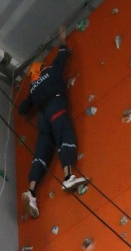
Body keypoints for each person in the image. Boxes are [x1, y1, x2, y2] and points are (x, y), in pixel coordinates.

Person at [18, 25, 88, 219]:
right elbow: (62, 55)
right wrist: (63, 40)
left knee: (41, 154)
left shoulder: (32, 89)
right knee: (65, 136)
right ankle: (68, 177)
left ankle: (31, 192)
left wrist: (28, 95)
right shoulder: (50, 71)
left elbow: (23, 109)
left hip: (42, 118)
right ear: (41, 69)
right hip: (56, 107)